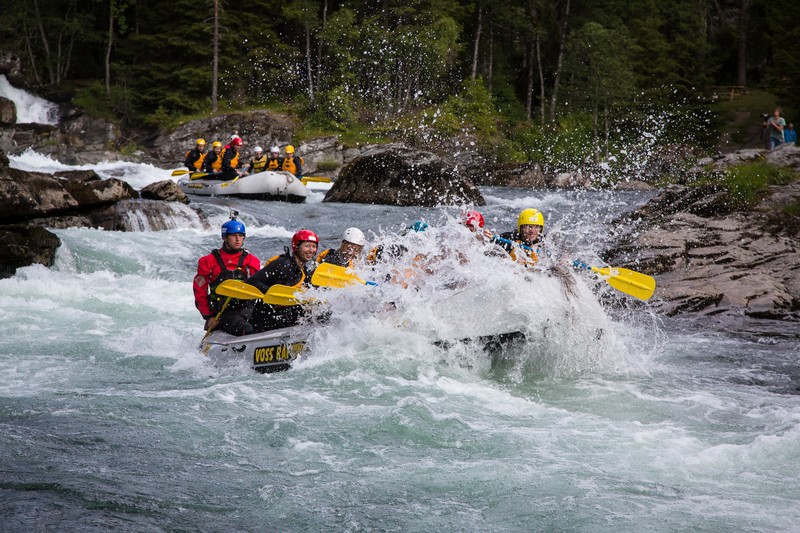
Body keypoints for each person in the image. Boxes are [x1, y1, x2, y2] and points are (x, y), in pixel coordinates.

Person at [193, 213, 262, 336]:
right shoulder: (208, 261)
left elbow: (259, 286)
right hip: (223, 312)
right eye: (233, 236)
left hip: (247, 308)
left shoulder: (252, 260)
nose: (237, 239)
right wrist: (208, 317)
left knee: (264, 324)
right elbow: (200, 292)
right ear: (225, 238)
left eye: (241, 236)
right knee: (246, 329)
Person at [245, 229, 320, 333]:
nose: (311, 250)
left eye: (313, 246)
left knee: (321, 312)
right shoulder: (282, 264)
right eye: (307, 246)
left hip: (285, 314)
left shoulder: (305, 272)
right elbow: (252, 281)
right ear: (296, 247)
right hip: (266, 316)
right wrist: (272, 294)